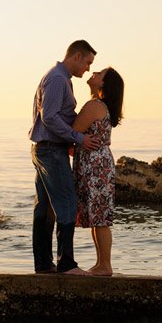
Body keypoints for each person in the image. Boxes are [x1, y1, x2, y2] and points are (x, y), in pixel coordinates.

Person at [28, 40, 100, 275]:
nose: (88, 69)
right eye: (88, 62)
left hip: (44, 148)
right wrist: (78, 139)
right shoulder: (58, 79)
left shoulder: (59, 77)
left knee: (45, 208)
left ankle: (44, 265)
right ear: (77, 56)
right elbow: (49, 117)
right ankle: (66, 264)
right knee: (67, 203)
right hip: (50, 149)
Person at [72, 67, 124, 276]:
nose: (93, 74)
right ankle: (101, 263)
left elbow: (73, 131)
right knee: (97, 217)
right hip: (98, 163)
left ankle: (105, 265)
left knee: (100, 217)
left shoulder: (94, 106)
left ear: (104, 84)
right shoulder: (100, 106)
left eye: (99, 74)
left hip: (95, 166)